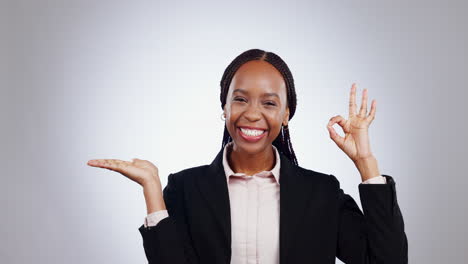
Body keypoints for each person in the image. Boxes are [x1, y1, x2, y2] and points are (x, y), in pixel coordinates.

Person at [87, 49, 408, 264]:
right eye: (240, 99)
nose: (252, 114)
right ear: (224, 108)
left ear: (286, 114)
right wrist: (153, 194)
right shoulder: (185, 189)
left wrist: (366, 161)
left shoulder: (321, 193)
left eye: (269, 103)